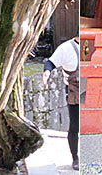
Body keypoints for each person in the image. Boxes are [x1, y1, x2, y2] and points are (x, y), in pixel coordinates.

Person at [42, 36, 79, 170]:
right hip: (75, 91)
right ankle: (75, 158)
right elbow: (50, 63)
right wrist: (46, 72)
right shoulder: (66, 48)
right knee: (75, 125)